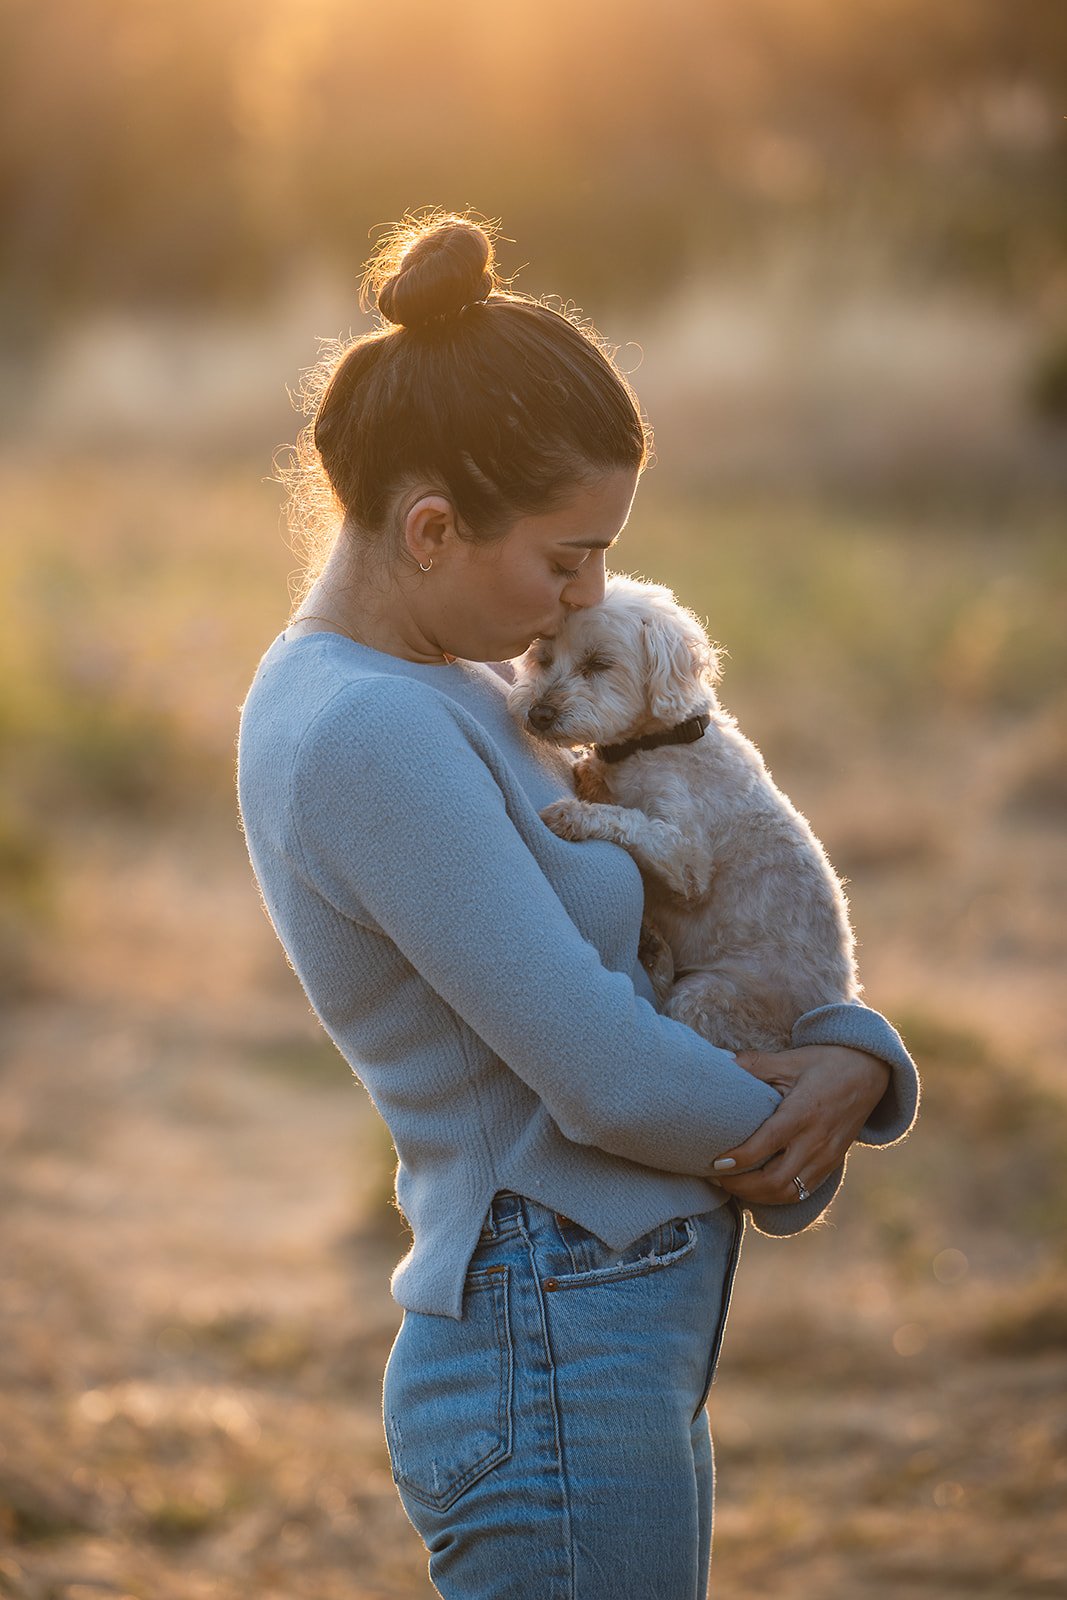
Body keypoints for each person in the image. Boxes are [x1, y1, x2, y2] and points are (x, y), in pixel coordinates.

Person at [236, 211, 918, 1600]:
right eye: (567, 558)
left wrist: (852, 1038)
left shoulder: (462, 685)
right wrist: (824, 1111)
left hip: (594, 1315)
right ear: (431, 529)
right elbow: (604, 1073)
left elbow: (700, 885)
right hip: (548, 1336)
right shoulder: (370, 730)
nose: (590, 593)